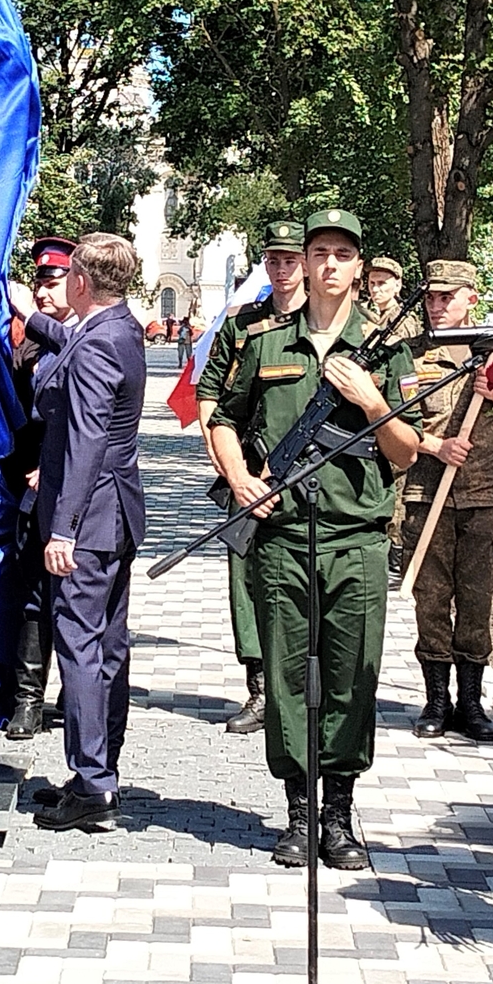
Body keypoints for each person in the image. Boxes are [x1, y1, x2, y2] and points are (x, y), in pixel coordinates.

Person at [211, 209, 420, 870]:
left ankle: (339, 814)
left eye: (343, 254)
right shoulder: (267, 341)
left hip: (356, 539)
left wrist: (372, 402)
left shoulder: (386, 349)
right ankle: (300, 813)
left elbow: (406, 452)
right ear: (303, 261)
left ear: (359, 266)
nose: (330, 264)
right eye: (320, 252)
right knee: (287, 677)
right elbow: (223, 417)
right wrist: (241, 478)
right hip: (282, 539)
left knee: (352, 676)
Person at [9, 233, 148, 832]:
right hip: (115, 512)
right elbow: (72, 340)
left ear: (82, 282)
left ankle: (93, 784)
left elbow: (87, 442)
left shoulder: (97, 345)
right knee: (108, 646)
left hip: (88, 519)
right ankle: (101, 770)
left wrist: (62, 529)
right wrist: (31, 315)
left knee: (81, 646)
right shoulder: (118, 327)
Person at [196, 220, 308, 736]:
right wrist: (227, 464)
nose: (282, 269)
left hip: (305, 477)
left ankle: (299, 689)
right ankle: (260, 689)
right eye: (274, 260)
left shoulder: (321, 323)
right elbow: (210, 393)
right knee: (247, 586)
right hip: (247, 472)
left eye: (290, 260)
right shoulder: (242, 323)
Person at [401, 259, 493, 743]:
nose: (437, 305)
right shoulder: (412, 354)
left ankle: (470, 700)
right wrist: (434, 445)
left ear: (472, 298)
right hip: (427, 493)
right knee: (430, 599)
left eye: (447, 297)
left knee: (477, 599)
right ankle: (436, 699)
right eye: (431, 297)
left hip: (483, 495)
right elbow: (392, 420)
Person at [4, 235, 76, 740]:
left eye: (53, 283)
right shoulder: (28, 342)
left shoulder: (87, 336)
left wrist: (53, 468)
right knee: (33, 594)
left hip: (77, 487)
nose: (42, 293)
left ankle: (76, 693)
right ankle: (27, 700)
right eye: (39, 283)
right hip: (30, 485)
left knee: (75, 597)